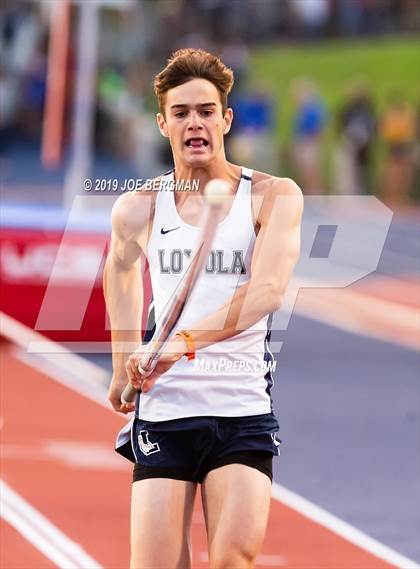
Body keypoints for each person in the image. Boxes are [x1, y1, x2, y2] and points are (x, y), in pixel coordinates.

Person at [104, 48, 303, 569]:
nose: (195, 122)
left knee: (233, 558)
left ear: (226, 119)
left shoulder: (272, 196)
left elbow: (266, 292)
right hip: (167, 408)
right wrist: (121, 359)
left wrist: (182, 343)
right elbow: (120, 269)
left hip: (239, 407)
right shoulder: (139, 206)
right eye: (181, 113)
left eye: (206, 111)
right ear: (162, 124)